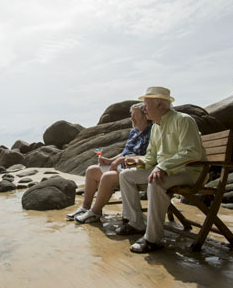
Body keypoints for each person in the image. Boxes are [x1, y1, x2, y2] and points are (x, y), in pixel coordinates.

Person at [117, 86, 206, 253]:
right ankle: (135, 222)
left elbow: (192, 152)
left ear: (160, 105)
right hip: (165, 170)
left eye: (146, 105)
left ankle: (152, 239)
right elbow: (151, 157)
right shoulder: (156, 127)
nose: (144, 109)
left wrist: (162, 166)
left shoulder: (183, 120)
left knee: (155, 181)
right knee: (125, 175)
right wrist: (133, 163)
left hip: (190, 172)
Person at [66, 103, 152, 223]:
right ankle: (85, 208)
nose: (131, 119)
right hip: (121, 166)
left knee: (107, 177)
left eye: (134, 116)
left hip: (135, 169)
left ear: (145, 116)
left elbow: (151, 157)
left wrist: (122, 161)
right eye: (131, 116)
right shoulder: (134, 131)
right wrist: (110, 160)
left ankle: (95, 213)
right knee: (91, 170)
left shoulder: (153, 132)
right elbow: (125, 152)